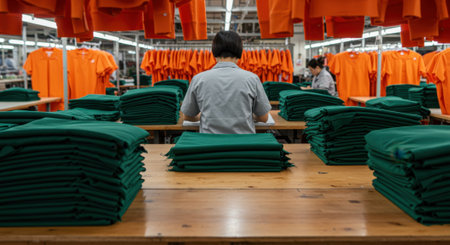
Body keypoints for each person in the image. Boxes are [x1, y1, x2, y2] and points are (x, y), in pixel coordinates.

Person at [181, 31, 271, 134]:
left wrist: (204, 116)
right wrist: (247, 115)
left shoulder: (198, 79)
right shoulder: (252, 79)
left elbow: (187, 116)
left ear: (214, 51)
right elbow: (264, 118)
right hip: (243, 146)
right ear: (240, 51)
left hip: (210, 146)